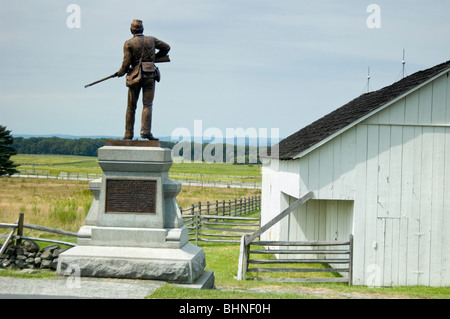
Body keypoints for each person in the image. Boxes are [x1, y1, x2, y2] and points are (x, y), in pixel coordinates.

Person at [115, 19, 170, 140]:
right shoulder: (152, 40)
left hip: (135, 76)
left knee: (131, 106)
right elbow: (166, 47)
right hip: (150, 75)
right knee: (147, 105)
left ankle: (128, 134)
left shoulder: (128, 43)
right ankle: (145, 131)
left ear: (131, 30)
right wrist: (153, 59)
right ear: (142, 30)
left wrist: (121, 72)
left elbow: (126, 63)